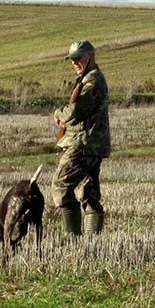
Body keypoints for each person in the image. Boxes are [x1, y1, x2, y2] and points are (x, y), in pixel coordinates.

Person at [52, 40, 111, 236]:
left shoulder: (92, 80)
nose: (74, 62)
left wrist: (58, 114)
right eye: (72, 59)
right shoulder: (87, 78)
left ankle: (73, 240)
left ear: (90, 57)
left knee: (60, 186)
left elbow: (75, 111)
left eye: (78, 58)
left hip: (83, 144)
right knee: (88, 193)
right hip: (92, 144)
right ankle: (91, 246)